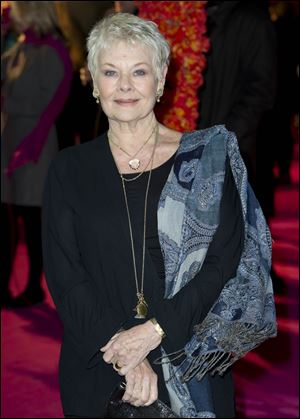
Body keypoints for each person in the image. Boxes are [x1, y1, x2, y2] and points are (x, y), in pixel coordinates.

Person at [42, 13, 277, 418]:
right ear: (93, 82)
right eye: (111, 72)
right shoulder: (68, 168)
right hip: (99, 362)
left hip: (189, 361)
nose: (126, 86)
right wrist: (127, 352)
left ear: (162, 77)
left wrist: (154, 332)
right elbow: (65, 277)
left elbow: (223, 262)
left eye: (139, 71)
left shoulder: (207, 159)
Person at [0, 1, 72, 308]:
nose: (11, 10)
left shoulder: (51, 49)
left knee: (31, 219)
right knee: (7, 217)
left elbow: (52, 105)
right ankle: (5, 283)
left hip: (35, 139)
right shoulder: (20, 45)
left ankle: (33, 287)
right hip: (9, 133)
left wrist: (30, 144)